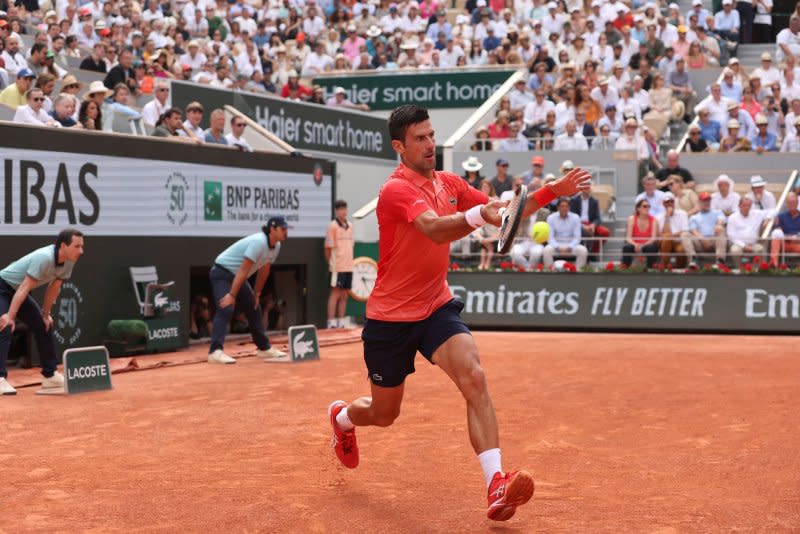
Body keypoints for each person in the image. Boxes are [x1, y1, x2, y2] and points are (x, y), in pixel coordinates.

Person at [327, 105, 590, 521]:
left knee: (475, 377)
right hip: (390, 320)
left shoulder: (450, 182)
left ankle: (496, 484)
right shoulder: (395, 190)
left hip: (435, 307)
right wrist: (475, 215)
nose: (430, 145)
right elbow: (433, 227)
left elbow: (505, 212)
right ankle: (341, 419)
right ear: (399, 146)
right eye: (419, 139)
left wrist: (551, 192)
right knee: (384, 414)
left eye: (432, 136)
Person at [0, 229, 85, 395]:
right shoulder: (44, 257)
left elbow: (53, 288)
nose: (81, 251)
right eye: (77, 246)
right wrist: (10, 316)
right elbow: (25, 287)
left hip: (19, 291)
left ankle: (49, 374)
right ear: (63, 245)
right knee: (5, 325)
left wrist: (45, 314)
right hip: (2, 287)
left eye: (82, 246)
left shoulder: (69, 261)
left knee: (43, 324)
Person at [207, 218, 289, 364]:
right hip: (222, 272)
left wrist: (257, 293)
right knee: (226, 308)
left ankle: (264, 349)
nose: (286, 232)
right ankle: (215, 352)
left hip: (236, 275)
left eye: (286, 229)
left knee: (254, 306)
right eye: (283, 229)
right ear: (272, 228)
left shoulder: (276, 246)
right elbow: (244, 270)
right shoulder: (259, 242)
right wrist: (232, 295)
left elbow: (264, 269)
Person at [325, 200, 354, 329]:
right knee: (335, 293)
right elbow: (327, 247)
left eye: (345, 208)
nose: (343, 211)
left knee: (344, 295)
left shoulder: (351, 226)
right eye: (340, 209)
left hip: (349, 266)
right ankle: (331, 322)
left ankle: (341, 322)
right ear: (336, 211)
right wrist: (331, 264)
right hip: (337, 266)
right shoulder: (333, 226)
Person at [543, 197, 589, 269]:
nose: (565, 208)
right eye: (562, 206)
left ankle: (577, 271)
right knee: (546, 250)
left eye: (567, 206)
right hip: (556, 245)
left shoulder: (575, 217)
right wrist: (558, 247)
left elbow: (577, 238)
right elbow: (550, 237)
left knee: (583, 250)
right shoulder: (551, 218)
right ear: (558, 208)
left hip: (571, 245)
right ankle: (550, 271)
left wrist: (569, 247)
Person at [569, 181, 610, 260]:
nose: (586, 188)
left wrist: (593, 225)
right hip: (578, 224)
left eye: (588, 186)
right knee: (583, 232)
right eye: (584, 186)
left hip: (590, 224)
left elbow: (598, 218)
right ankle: (580, 254)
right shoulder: (574, 200)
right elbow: (572, 217)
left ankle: (592, 253)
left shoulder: (594, 201)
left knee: (605, 232)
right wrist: (583, 226)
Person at [727, 197, 770, 268]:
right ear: (739, 206)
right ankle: (739, 270)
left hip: (753, 244)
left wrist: (767, 219)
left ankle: (755, 271)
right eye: (744, 206)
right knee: (735, 251)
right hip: (738, 245)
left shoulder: (756, 214)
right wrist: (744, 246)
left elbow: (773, 211)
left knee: (760, 249)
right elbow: (731, 236)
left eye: (748, 206)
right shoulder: (732, 217)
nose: (747, 208)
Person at [656, 192, 694, 267]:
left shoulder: (683, 213)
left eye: (671, 201)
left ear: (674, 202)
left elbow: (684, 230)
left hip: (678, 241)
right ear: (663, 203)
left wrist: (670, 236)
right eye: (667, 202)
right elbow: (660, 234)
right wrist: (667, 217)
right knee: (667, 238)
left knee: (681, 249)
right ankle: (665, 266)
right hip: (665, 242)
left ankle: (680, 269)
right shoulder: (658, 216)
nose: (669, 204)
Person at [689, 191, 728, 264]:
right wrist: (702, 239)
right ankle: (693, 260)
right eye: (704, 201)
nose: (707, 202)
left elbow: (721, 219)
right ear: (699, 202)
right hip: (700, 241)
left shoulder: (717, 212)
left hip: (714, 239)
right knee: (685, 235)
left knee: (721, 230)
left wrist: (719, 225)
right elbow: (694, 230)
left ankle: (720, 260)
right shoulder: (694, 217)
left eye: (708, 200)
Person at [622, 198, 659, 267]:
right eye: (645, 206)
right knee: (626, 247)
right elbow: (628, 238)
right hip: (634, 244)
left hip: (647, 244)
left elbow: (653, 238)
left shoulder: (654, 220)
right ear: (638, 209)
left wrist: (642, 245)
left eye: (648, 206)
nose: (647, 208)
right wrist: (636, 245)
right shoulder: (631, 219)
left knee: (651, 248)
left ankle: (651, 270)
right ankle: (625, 269)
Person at [769, 193, 800, 267]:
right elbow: (778, 231)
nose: (791, 204)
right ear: (787, 204)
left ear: (797, 203)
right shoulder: (781, 216)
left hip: (798, 244)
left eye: (793, 202)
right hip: (784, 243)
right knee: (776, 236)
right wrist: (790, 237)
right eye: (790, 203)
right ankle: (774, 264)